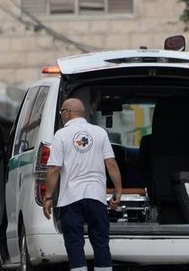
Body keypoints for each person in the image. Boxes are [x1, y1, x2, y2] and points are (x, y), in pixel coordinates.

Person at [42, 98, 123, 271]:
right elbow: (111, 163)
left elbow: (54, 168)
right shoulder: (100, 132)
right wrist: (118, 190)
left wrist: (48, 196)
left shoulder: (61, 135)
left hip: (71, 199)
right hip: (96, 197)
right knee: (101, 242)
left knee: (74, 243)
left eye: (61, 112)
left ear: (67, 113)